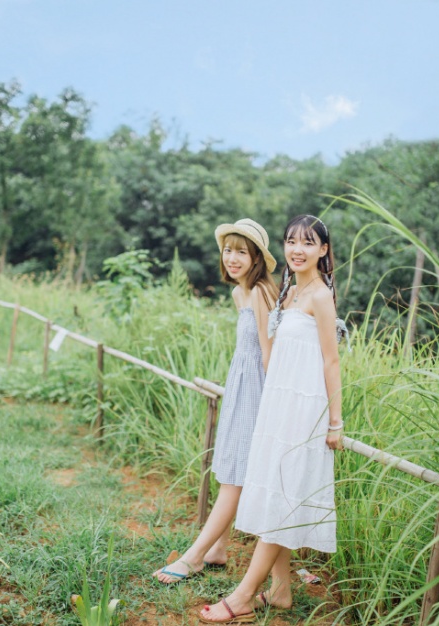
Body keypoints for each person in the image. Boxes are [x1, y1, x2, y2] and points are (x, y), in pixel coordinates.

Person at [199, 214, 344, 624]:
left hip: (304, 409)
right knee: (272, 493)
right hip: (277, 406)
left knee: (281, 497)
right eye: (291, 241)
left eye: (308, 242)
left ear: (323, 250)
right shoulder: (286, 294)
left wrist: (336, 421)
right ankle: (280, 591)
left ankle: (243, 594)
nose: (297, 249)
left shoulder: (319, 296)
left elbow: (332, 361)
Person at [153, 218, 279, 584]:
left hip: (257, 391)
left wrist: (272, 408)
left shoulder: (260, 293)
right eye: (228, 250)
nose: (233, 258)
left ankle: (192, 558)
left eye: (242, 251)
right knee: (229, 463)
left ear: (257, 256)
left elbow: (269, 355)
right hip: (240, 386)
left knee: (236, 476)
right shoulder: (240, 293)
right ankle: (219, 548)